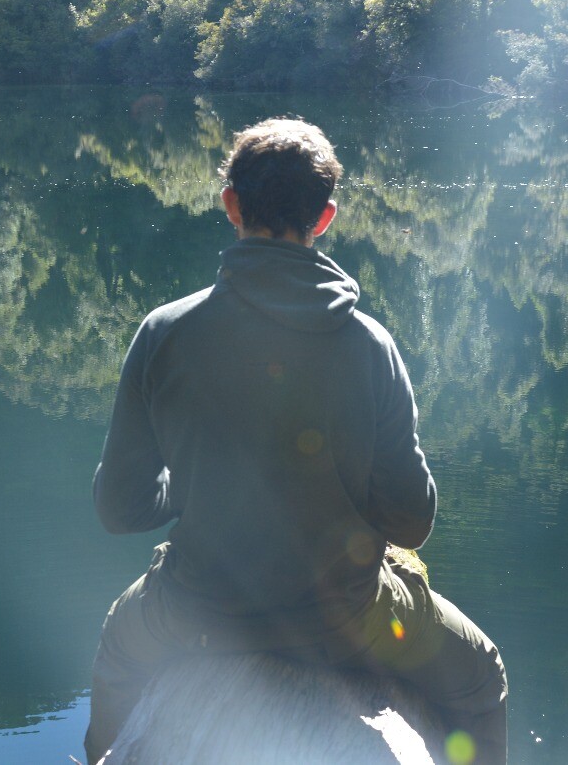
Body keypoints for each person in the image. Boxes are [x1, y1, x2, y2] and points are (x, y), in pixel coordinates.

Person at [85, 118, 507, 764]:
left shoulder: (164, 331)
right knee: (482, 676)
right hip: (346, 620)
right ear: (326, 217)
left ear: (230, 204)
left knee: (118, 648)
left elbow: (120, 508)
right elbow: (411, 520)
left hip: (197, 609)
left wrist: (189, 485)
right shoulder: (371, 345)